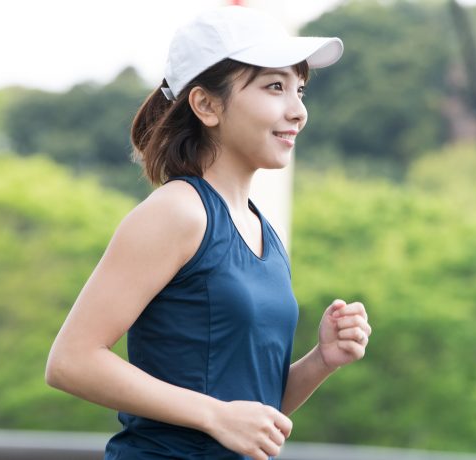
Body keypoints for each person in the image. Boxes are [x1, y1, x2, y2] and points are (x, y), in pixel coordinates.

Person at [45, 6, 371, 460]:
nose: (297, 111)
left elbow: (252, 414)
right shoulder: (177, 212)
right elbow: (70, 362)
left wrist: (321, 361)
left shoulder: (262, 231)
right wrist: (213, 415)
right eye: (274, 87)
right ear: (205, 104)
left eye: (299, 89)